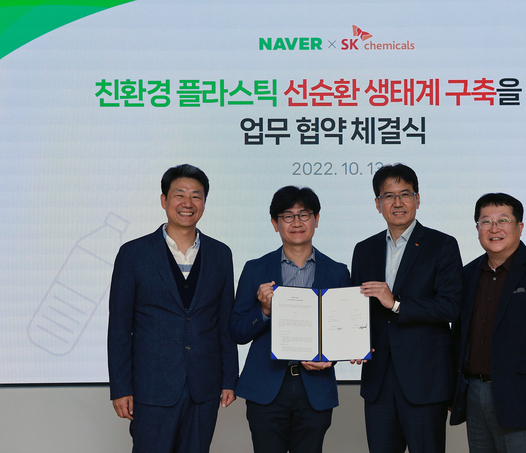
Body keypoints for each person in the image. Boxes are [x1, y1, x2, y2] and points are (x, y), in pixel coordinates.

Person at [107, 164, 238, 453]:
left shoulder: (220, 254)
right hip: (151, 386)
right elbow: (119, 327)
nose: (188, 203)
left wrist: (230, 378)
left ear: (204, 202)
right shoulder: (134, 253)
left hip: (204, 386)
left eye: (196, 196)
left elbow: (224, 322)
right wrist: (121, 387)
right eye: (179, 195)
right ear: (164, 200)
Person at [350, 164, 463, 453]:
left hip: (424, 379)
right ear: (378, 204)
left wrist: (397, 303)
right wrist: (352, 341)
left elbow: (450, 306)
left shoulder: (442, 245)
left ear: (417, 199)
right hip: (378, 380)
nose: (397, 202)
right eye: (388, 196)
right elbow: (356, 308)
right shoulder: (364, 249)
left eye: (405, 194)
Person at [230, 186, 351, 453]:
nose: (296, 222)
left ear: (316, 220)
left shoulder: (338, 272)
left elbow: (343, 333)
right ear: (275, 224)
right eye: (287, 216)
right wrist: (264, 311)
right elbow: (237, 332)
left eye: (304, 214)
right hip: (266, 387)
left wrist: (331, 358)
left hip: (315, 389)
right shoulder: (255, 269)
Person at [450, 193, 526, 453]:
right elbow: (458, 336)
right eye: (486, 222)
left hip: (523, 399)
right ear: (477, 228)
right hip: (474, 393)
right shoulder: (467, 274)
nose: (494, 229)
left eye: (503, 220)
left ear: (520, 226)